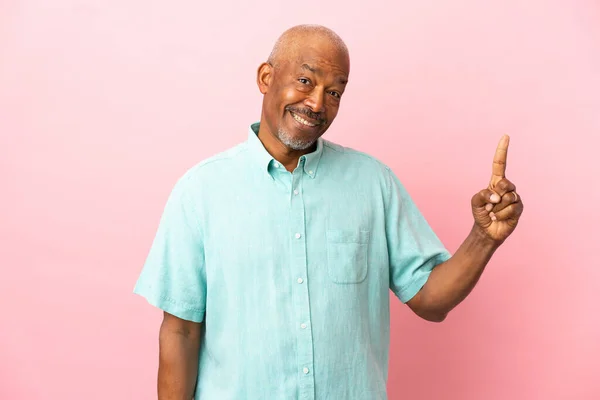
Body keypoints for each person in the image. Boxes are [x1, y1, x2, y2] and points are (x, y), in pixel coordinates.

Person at [133, 24, 524, 400]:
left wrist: (483, 238)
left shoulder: (374, 183)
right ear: (266, 77)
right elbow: (180, 332)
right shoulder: (201, 191)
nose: (318, 103)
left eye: (335, 91)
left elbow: (431, 300)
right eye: (306, 81)